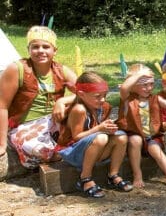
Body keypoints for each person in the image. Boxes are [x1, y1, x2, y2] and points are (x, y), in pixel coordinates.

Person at [0, 26, 77, 168]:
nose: (40, 51)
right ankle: (67, 153)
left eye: (46, 47)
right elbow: (2, 106)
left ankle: (66, 151)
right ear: (28, 49)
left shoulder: (61, 70)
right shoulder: (17, 69)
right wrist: (1, 144)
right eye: (35, 47)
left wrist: (63, 100)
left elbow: (87, 92)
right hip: (24, 126)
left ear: (54, 50)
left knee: (81, 111)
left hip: (54, 121)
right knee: (37, 149)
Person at [56, 72, 131, 198]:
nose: (102, 99)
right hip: (73, 153)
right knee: (101, 137)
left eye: (104, 95)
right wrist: (99, 129)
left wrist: (109, 129)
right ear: (81, 94)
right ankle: (85, 179)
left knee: (121, 136)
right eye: (97, 96)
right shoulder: (79, 110)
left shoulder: (103, 107)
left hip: (93, 150)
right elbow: (76, 137)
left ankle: (113, 175)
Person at [116, 63, 166, 191]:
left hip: (152, 137)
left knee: (155, 148)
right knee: (135, 140)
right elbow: (125, 87)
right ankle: (137, 174)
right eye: (144, 84)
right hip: (134, 135)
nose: (149, 88)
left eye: (151, 84)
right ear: (133, 85)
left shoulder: (155, 98)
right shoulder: (127, 98)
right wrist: (140, 74)